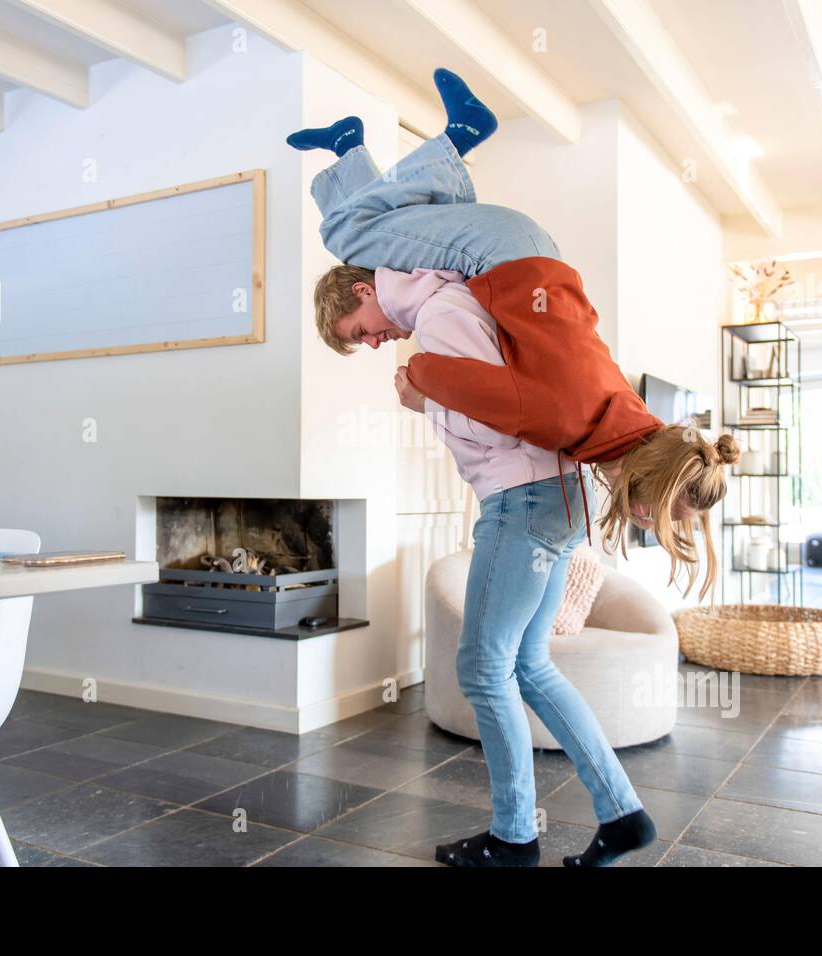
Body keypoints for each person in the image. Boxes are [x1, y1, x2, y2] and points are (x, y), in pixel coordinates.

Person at [287, 70, 738, 867]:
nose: (369, 342)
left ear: (363, 295)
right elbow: (525, 403)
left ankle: (513, 839)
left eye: (356, 330)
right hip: (547, 497)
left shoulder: (439, 309)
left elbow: (496, 404)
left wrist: (420, 387)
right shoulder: (452, 286)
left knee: (483, 667)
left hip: (526, 502)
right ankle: (620, 812)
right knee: (525, 662)